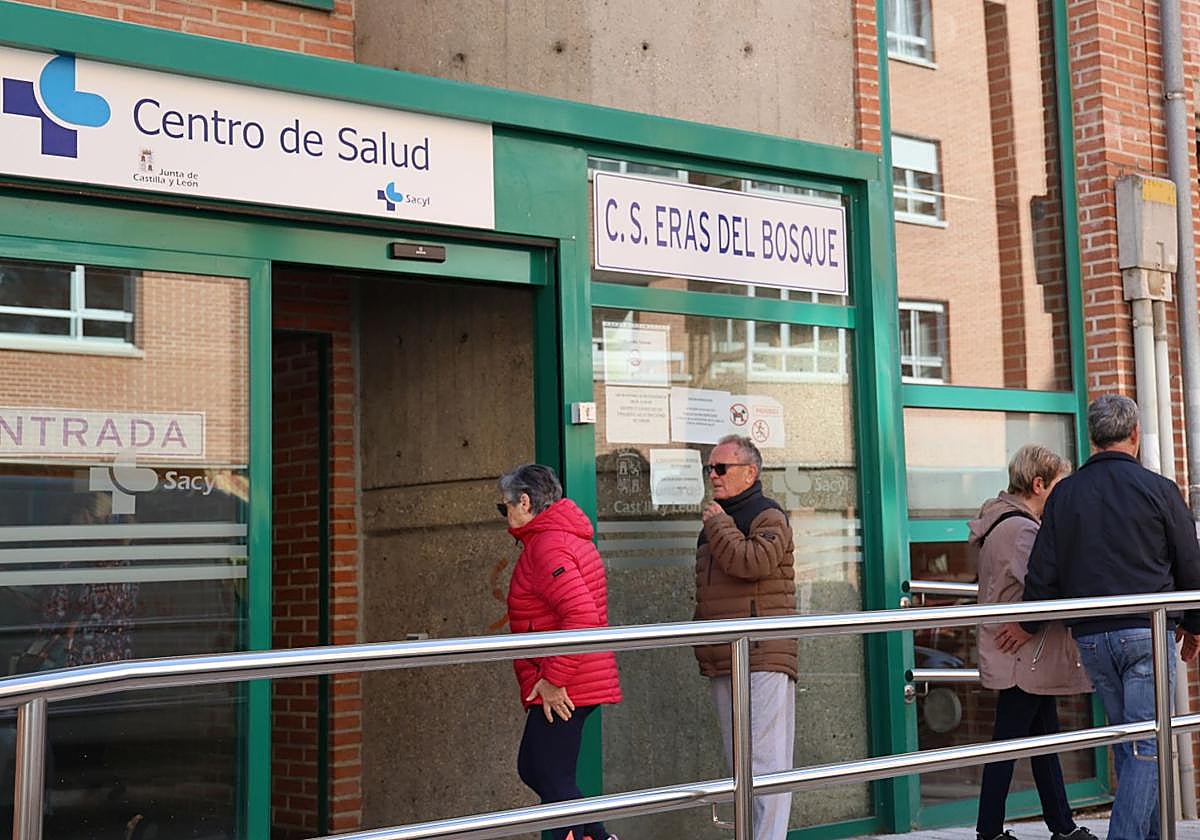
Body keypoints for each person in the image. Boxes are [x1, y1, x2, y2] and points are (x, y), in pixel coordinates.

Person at [1023, 395, 1200, 840]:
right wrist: (1195, 626)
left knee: (1133, 747)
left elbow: (1043, 571)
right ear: (1135, 434)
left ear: (1092, 437)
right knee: (1147, 747)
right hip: (1147, 631)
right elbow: (1190, 562)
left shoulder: (1064, 494)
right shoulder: (1159, 489)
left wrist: (1024, 624)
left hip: (1092, 637)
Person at [971, 445, 1094, 840]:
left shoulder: (1001, 522)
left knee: (1041, 743)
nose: (1062, 494)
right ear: (1039, 484)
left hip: (1024, 657)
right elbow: (1045, 584)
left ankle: (1062, 827)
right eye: (1059, 485)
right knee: (1007, 746)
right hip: (1022, 656)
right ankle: (990, 831)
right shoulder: (1022, 530)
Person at [499, 464, 621, 840]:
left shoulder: (549, 545)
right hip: (574, 677)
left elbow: (582, 614)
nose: (505, 515)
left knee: (546, 772)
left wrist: (553, 679)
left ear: (524, 502)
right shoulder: (561, 538)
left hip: (567, 684)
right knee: (543, 771)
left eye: (504, 507)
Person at [694, 434, 796, 840]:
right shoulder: (716, 521)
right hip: (724, 656)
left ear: (750, 472)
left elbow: (754, 562)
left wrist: (719, 525)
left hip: (762, 653)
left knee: (765, 763)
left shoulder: (767, 515)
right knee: (739, 765)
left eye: (721, 468)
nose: (713, 475)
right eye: (710, 468)